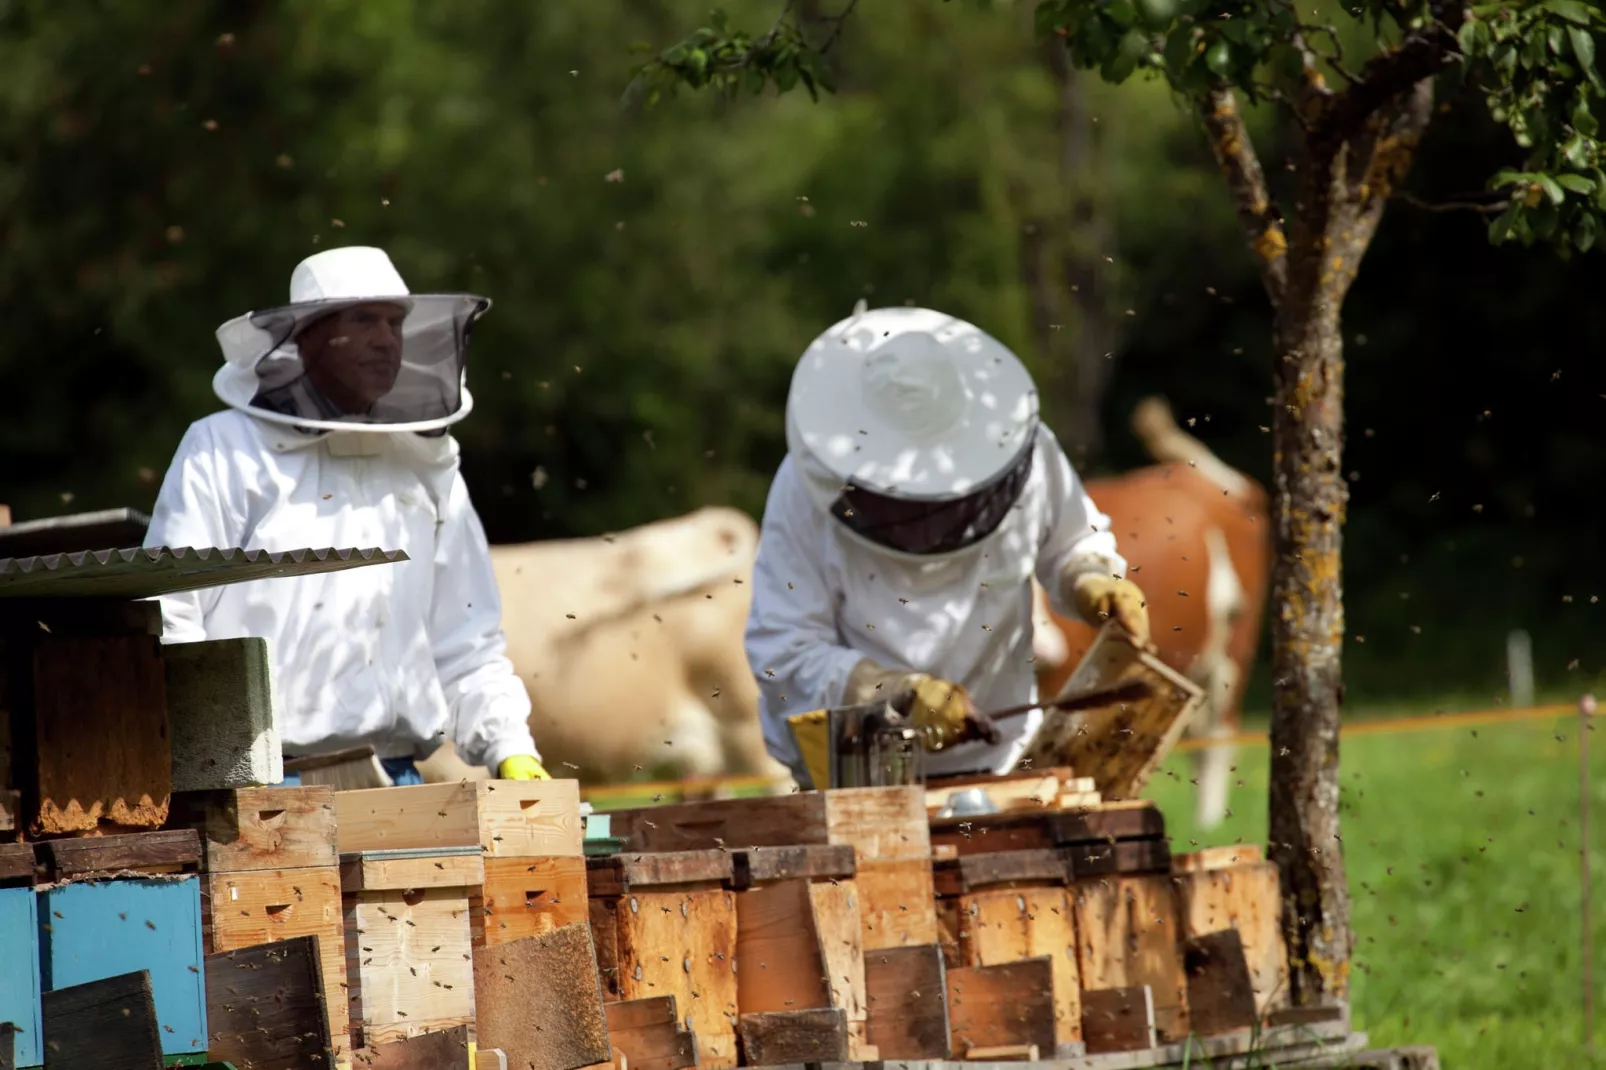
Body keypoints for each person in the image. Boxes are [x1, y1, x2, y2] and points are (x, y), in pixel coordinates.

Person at [144, 245, 549, 784]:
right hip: (255, 784)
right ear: (307, 336)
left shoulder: (426, 462)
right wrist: (209, 760)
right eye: (363, 320)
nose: (386, 340)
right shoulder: (227, 448)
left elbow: (466, 636)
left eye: (395, 323)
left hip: (396, 777)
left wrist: (510, 747)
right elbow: (171, 613)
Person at [744, 303, 1150, 789]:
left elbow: (1070, 542)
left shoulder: (1024, 449)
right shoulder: (804, 489)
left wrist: (1092, 578)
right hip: (855, 776)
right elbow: (784, 652)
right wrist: (888, 690)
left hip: (1002, 764)